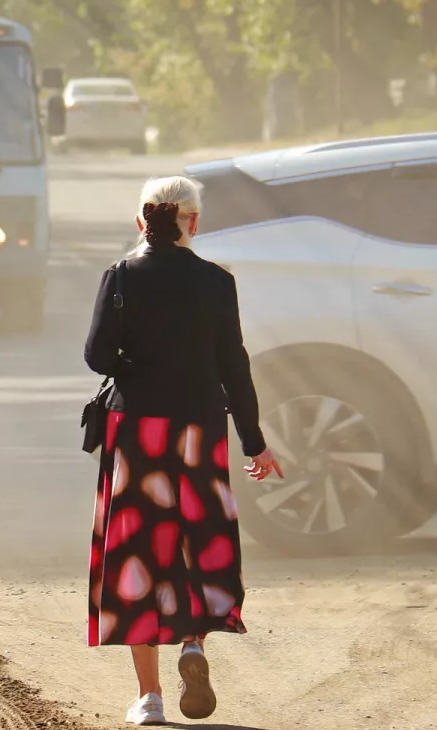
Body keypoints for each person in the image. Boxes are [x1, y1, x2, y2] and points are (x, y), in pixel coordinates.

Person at [84, 175, 283, 726]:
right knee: (192, 535)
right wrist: (255, 442)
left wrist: (135, 368)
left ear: (142, 222)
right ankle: (192, 642)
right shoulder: (216, 282)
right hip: (198, 428)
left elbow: (97, 355)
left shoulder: (121, 276)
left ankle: (149, 699)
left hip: (137, 429)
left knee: (138, 548)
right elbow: (234, 365)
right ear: (192, 223)